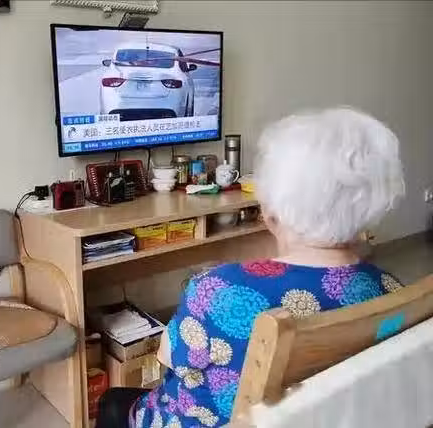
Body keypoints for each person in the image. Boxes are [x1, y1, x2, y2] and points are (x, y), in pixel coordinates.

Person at [96, 107, 406, 428]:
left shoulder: (216, 290)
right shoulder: (390, 289)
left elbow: (170, 359)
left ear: (270, 215)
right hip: (319, 418)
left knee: (114, 402)